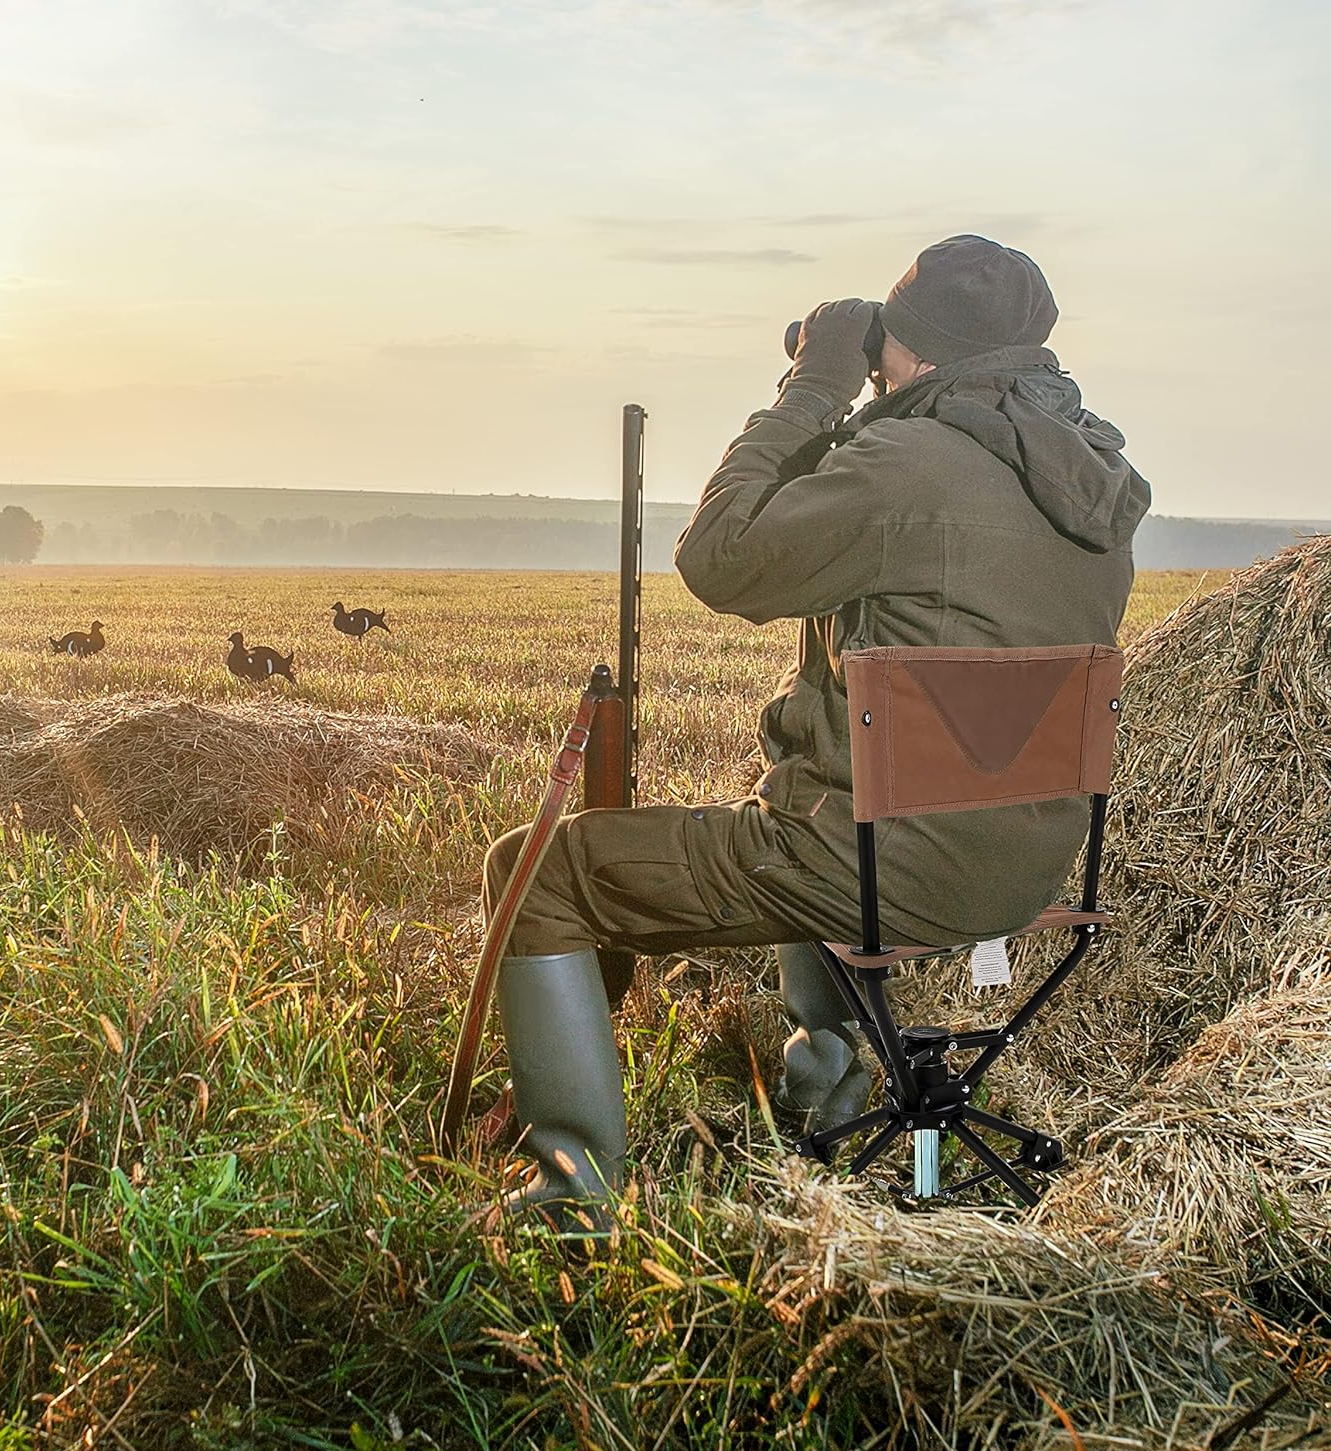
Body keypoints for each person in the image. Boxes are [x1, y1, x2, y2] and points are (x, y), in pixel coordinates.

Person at [481, 234, 1151, 1228]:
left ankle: (568, 1199)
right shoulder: (1095, 486)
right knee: (834, 806)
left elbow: (720, 558)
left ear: (913, 349)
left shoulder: (908, 461)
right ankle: (825, 1100)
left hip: (890, 866)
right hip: (1030, 868)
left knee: (537, 872)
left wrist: (811, 389)